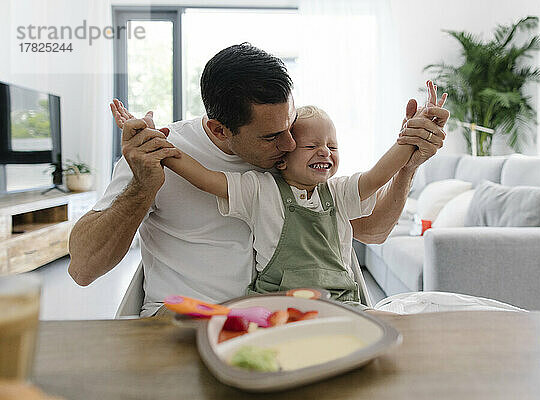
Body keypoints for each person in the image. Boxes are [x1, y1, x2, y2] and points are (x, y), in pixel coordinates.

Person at [68, 43, 449, 317]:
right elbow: (83, 269)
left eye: (289, 126)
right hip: (190, 322)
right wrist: (144, 184)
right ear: (219, 130)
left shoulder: (296, 149)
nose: (289, 145)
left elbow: (373, 231)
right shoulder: (161, 154)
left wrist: (408, 163)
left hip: (286, 320)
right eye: (271, 137)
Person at [151, 104, 427, 304]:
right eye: (312, 146)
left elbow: (378, 175)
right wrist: (161, 147)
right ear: (282, 156)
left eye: (332, 146)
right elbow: (206, 179)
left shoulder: (339, 192)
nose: (325, 152)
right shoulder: (259, 190)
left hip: (341, 304)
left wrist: (411, 138)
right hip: (276, 308)